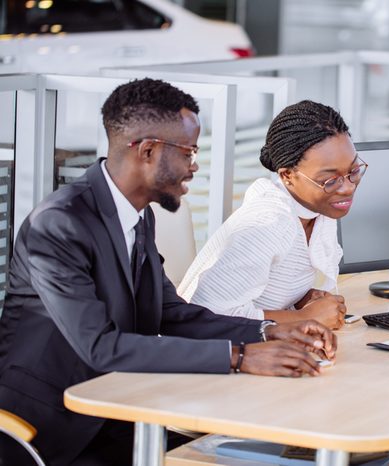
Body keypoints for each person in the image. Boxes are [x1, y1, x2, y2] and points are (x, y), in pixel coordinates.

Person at [0, 79, 337, 466]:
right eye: (189, 152)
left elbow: (172, 312)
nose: (195, 166)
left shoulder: (137, 215)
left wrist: (270, 331)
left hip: (124, 408)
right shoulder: (59, 224)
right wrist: (240, 357)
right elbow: (101, 346)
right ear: (147, 151)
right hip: (50, 430)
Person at [178, 100, 365, 330]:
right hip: (202, 354)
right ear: (287, 175)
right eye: (330, 179)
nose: (347, 187)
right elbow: (206, 317)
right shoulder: (268, 223)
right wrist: (307, 318)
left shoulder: (317, 210)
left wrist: (300, 299)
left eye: (353, 171)